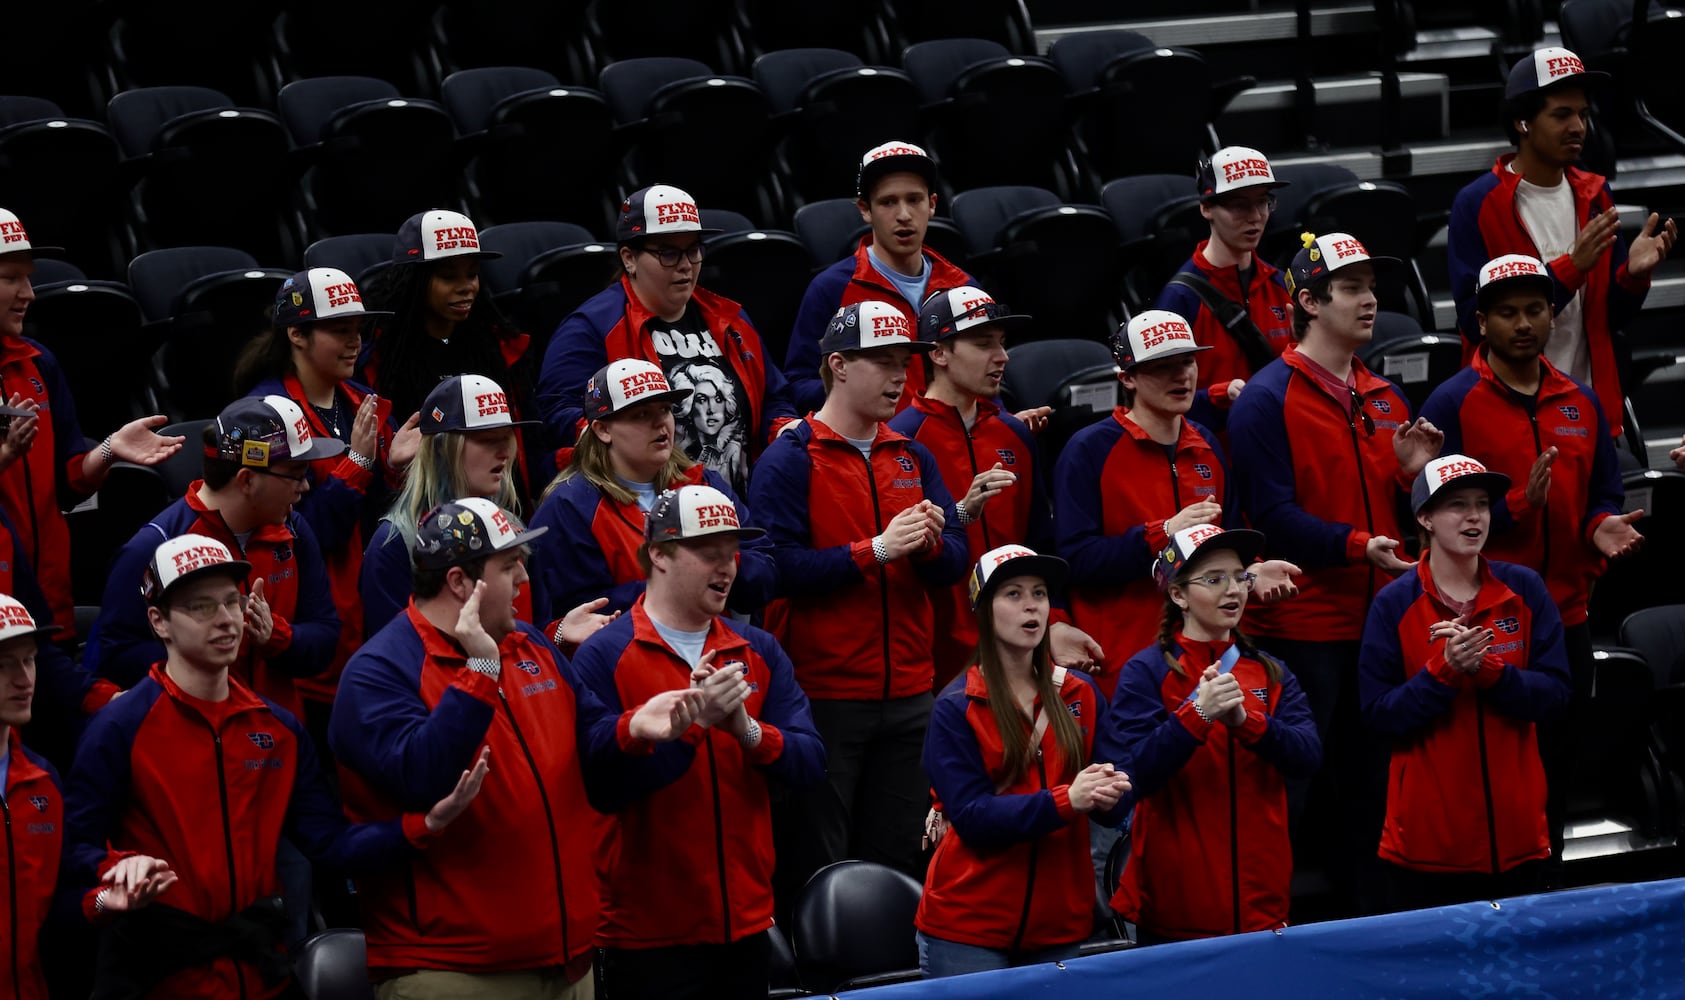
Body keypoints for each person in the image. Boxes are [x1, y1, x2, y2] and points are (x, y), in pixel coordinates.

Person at [63, 536, 491, 999]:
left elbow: (328, 844)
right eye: (201, 607)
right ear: (159, 622)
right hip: (157, 974)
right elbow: (72, 852)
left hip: (260, 969)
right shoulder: (119, 727)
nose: (226, 619)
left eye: (232, 601)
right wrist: (118, 869)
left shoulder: (278, 728)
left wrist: (424, 823)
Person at [332, 497, 706, 999]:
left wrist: (634, 730)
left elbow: (591, 742)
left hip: (567, 961)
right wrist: (480, 673)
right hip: (455, 973)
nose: (525, 581)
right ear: (460, 583)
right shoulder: (378, 671)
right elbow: (421, 778)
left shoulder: (530, 645)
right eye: (509, 566)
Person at [1228, 232, 1442, 915]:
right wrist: (1356, 545)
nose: (1369, 300)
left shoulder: (1383, 394)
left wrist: (1409, 479)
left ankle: (1371, 934)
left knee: (1372, 792)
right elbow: (1268, 518)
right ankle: (1265, 937)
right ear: (1309, 303)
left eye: (1371, 287)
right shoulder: (1266, 398)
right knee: (1288, 796)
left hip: (1376, 625)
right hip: (1301, 629)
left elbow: (1400, 513)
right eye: (1350, 288)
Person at [1418, 253, 1633, 865]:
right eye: (1507, 312)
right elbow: (1431, 513)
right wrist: (1515, 505)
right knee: (1485, 769)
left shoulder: (1581, 400)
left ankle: (1547, 892)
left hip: (1565, 613)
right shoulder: (1452, 402)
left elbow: (1603, 492)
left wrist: (1599, 526)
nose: (1523, 323)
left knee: (1559, 764)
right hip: (1479, 621)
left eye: (1535, 309)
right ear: (1480, 321)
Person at [571, 484, 825, 999]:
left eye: (732, 554)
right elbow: (599, 785)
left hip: (747, 920)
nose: (727, 568)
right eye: (709, 553)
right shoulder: (604, 655)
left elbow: (812, 763)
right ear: (659, 554)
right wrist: (689, 732)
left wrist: (749, 733)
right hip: (646, 936)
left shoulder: (758, 649)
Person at [751, 299, 968, 884]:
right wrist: (874, 551)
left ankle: (896, 977)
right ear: (839, 366)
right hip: (826, 695)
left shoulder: (913, 454)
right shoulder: (791, 457)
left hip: (909, 692)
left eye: (906, 362)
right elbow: (774, 570)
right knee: (822, 859)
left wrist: (925, 546)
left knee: (899, 859)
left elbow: (956, 561)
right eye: (884, 362)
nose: (901, 376)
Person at [1358, 455, 1570, 909]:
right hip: (1427, 849)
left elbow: (1556, 696)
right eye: (1457, 505)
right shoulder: (1392, 605)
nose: (1474, 516)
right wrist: (1443, 673)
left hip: (1520, 840)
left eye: (1482, 504)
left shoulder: (1525, 589)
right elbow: (1377, 716)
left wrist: (1489, 671)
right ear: (1425, 519)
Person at [1056, 310, 1298, 700]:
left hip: (1210, 662)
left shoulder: (1207, 443)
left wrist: (1252, 570)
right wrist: (1164, 534)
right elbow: (1076, 561)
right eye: (1161, 366)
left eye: (1187, 361)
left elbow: (1229, 540)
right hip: (1124, 659)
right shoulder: (1088, 451)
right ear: (1127, 378)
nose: (1181, 375)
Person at [916, 544, 1130, 977]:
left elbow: (1119, 805)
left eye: (1039, 593)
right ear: (983, 609)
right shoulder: (956, 706)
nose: (1031, 605)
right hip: (967, 929)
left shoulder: (1083, 694)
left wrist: (1112, 796)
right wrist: (1069, 799)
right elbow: (974, 819)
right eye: (1012, 594)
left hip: (1060, 927)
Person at [1099, 525, 1320, 942]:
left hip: (1263, 901)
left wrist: (1246, 723)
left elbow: (1308, 755)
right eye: (1214, 579)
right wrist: (1197, 715)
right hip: (1174, 905)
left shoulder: (1271, 669)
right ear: (1178, 595)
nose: (1233, 590)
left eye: (1240, 577)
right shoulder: (1146, 672)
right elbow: (1128, 778)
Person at [1447, 46, 1676, 435]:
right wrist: (1572, 269)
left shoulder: (1595, 195)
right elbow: (1475, 321)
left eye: (1583, 114)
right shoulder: (1477, 204)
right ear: (1522, 122)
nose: (1578, 127)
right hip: (1508, 420)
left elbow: (1609, 318)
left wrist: (1633, 277)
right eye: (1562, 114)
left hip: (1588, 414)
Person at [234, 267, 420, 742]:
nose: (355, 341)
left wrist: (397, 470)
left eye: (359, 329)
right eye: (339, 330)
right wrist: (359, 463)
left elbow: (393, 520)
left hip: (376, 614)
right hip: (309, 628)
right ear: (296, 333)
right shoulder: (266, 413)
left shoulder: (366, 403)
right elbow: (300, 531)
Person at [85, 395, 342, 722]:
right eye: (295, 473)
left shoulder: (295, 530)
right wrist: (199, 649)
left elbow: (326, 638)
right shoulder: (154, 545)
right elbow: (113, 657)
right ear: (247, 480)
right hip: (190, 741)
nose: (305, 487)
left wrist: (276, 637)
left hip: (277, 743)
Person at [890, 286, 1096, 689]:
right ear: (938, 353)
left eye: (1002, 344)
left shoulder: (1015, 435)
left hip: (1020, 651)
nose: (1002, 357)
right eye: (984, 344)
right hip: (937, 659)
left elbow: (1040, 543)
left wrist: (1055, 620)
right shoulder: (902, 440)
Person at [0, 205, 185, 639]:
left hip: (48, 604)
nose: (28, 293)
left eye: (27, 277)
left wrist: (107, 450)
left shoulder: (38, 363)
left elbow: (67, 486)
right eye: (10, 279)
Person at [537, 184, 795, 494]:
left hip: (742, 505)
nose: (686, 264)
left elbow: (773, 396)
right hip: (648, 509)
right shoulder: (590, 327)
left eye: (694, 249)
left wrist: (784, 428)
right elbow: (557, 415)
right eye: (669, 253)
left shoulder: (731, 318)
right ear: (629, 258)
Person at [2, 594, 171, 1000]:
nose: (25, 679)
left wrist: (101, 901)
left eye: (29, 660)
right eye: (3, 664)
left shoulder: (42, 781)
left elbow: (47, 912)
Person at [529, 359, 776, 628]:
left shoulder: (704, 482)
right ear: (603, 430)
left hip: (718, 649)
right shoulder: (569, 506)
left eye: (665, 410)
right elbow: (578, 614)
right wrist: (683, 578)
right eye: (642, 414)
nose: (661, 423)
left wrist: (710, 567)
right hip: (627, 660)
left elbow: (765, 570)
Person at [362, 373, 592, 642]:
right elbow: (393, 662)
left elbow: (530, 635)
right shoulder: (395, 543)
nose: (504, 452)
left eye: (506, 437)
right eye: (486, 439)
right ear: (442, 449)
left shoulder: (513, 527)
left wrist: (558, 634)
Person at [783, 142, 973, 414]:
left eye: (914, 200)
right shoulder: (831, 289)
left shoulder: (963, 287)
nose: (904, 215)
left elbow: (983, 375)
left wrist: (1005, 421)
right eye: (888, 202)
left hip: (953, 447)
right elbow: (798, 384)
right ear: (865, 209)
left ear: (931, 205)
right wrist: (852, 389)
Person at [358, 209, 534, 448]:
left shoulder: (501, 347)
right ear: (414, 282)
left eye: (472, 274)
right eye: (449, 276)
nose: (466, 287)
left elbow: (531, 446)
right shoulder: (376, 358)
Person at [1152, 146, 1293, 430]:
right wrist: (1219, 396)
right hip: (1212, 457)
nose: (1255, 216)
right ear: (1206, 208)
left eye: (1263, 202)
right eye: (1240, 205)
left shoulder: (1281, 285)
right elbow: (1157, 400)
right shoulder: (1180, 298)